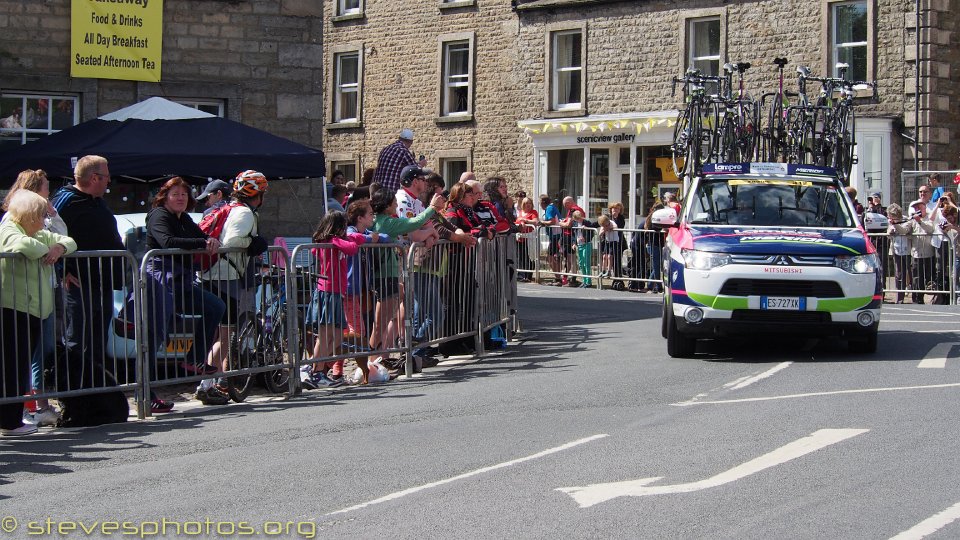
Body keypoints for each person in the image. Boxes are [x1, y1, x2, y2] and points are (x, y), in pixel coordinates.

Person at [142, 177, 226, 413]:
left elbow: (199, 235)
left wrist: (210, 239)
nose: (180, 198)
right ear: (164, 196)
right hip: (159, 282)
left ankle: (194, 358)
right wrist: (202, 241)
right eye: (175, 194)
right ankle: (145, 396)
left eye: (184, 194)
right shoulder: (159, 215)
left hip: (180, 282)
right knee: (152, 339)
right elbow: (167, 241)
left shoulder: (184, 218)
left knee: (214, 307)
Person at [0, 190, 76, 436]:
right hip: (13, 307)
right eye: (39, 215)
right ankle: (9, 422)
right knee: (12, 367)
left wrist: (58, 247)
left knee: (19, 366)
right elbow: (22, 244)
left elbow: (70, 241)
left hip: (33, 309)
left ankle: (11, 419)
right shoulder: (10, 228)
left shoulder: (35, 231)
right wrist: (48, 250)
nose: (43, 220)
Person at [50, 155, 127, 390]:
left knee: (96, 342)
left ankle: (94, 391)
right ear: (94, 178)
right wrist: (62, 271)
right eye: (106, 177)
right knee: (76, 341)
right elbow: (48, 235)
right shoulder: (65, 200)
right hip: (79, 284)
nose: (109, 181)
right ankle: (73, 393)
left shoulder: (97, 201)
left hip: (102, 282)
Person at [197, 170, 270, 405]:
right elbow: (233, 242)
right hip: (225, 275)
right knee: (225, 334)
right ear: (256, 194)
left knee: (220, 333)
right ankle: (208, 384)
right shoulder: (245, 213)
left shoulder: (228, 208)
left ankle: (210, 382)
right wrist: (254, 243)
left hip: (214, 273)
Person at [369, 187, 444, 370]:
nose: (396, 205)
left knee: (387, 319)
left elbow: (413, 227)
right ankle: (371, 361)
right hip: (386, 275)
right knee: (380, 322)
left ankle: (381, 357)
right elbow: (413, 223)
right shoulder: (386, 222)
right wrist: (432, 208)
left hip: (389, 274)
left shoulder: (384, 220)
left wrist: (427, 232)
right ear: (387, 206)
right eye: (394, 203)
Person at [303, 211, 366, 386]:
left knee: (337, 337)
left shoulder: (334, 241)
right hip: (329, 291)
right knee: (325, 336)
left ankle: (315, 367)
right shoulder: (332, 241)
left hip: (335, 292)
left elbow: (358, 239)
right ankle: (315, 370)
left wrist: (351, 237)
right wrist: (349, 239)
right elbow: (353, 248)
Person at [440, 182, 492, 357]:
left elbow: (482, 226)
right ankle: (451, 342)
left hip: (468, 261)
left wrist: (484, 231)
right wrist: (478, 233)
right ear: (460, 196)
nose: (473, 197)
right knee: (454, 302)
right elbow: (457, 233)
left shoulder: (470, 211)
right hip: (455, 262)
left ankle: (467, 337)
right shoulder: (452, 211)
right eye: (469, 195)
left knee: (468, 300)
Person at [893, 201, 936, 304]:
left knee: (928, 278)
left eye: (919, 207)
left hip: (928, 253)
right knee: (916, 278)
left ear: (924, 207)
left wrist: (920, 221)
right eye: (915, 208)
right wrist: (895, 225)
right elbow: (904, 230)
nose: (917, 209)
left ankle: (931, 298)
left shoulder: (930, 217)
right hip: (916, 254)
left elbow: (930, 229)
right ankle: (917, 300)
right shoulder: (912, 220)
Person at [373, 128, 423, 195]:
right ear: (411, 142)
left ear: (399, 138)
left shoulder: (385, 149)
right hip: (389, 190)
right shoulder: (404, 151)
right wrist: (421, 164)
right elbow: (415, 170)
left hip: (376, 190)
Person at [557, 196, 585, 287]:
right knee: (569, 259)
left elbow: (568, 224)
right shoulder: (576, 209)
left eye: (565, 204)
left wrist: (560, 223)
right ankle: (569, 277)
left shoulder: (574, 210)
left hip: (571, 236)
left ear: (569, 202)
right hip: (571, 236)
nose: (565, 207)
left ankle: (573, 279)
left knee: (571, 259)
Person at [886, 204, 910, 304]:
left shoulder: (907, 220)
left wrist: (895, 224)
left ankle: (915, 296)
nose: (890, 218)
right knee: (898, 274)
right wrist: (889, 232)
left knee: (910, 274)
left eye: (892, 216)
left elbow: (904, 231)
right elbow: (888, 235)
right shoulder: (891, 222)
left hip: (908, 251)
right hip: (896, 250)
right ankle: (899, 298)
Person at [514, 197, 539, 281]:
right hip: (520, 237)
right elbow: (517, 221)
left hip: (529, 237)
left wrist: (525, 220)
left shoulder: (533, 212)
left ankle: (528, 275)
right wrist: (521, 222)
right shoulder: (520, 212)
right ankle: (521, 275)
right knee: (520, 257)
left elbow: (536, 221)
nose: (528, 205)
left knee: (529, 257)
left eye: (529, 203)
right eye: (526, 203)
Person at [570, 211, 595, 287]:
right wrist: (574, 243)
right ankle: (584, 281)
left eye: (580, 218)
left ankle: (588, 282)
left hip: (587, 244)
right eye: (577, 219)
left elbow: (592, 232)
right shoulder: (574, 223)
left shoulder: (586, 222)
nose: (579, 220)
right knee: (581, 263)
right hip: (579, 245)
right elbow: (574, 234)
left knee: (586, 263)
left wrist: (586, 238)